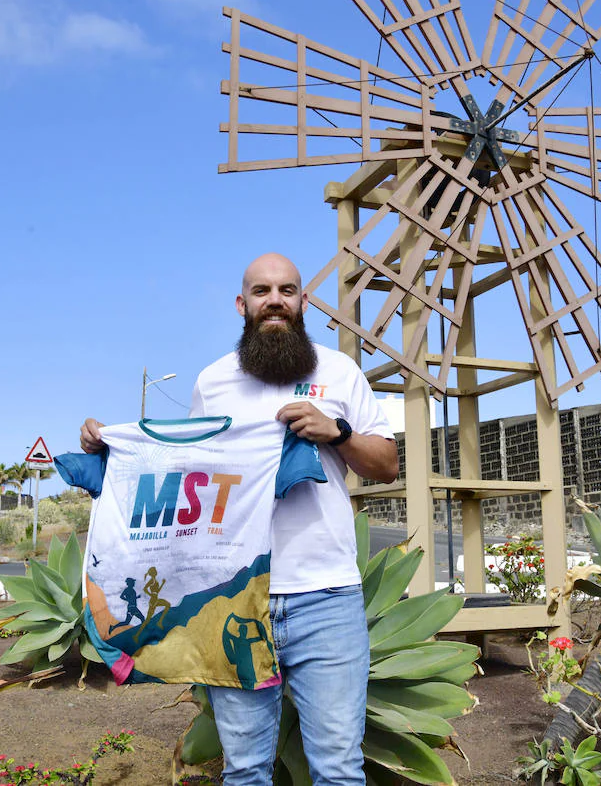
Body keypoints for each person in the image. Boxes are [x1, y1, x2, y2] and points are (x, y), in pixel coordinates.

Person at [80, 252, 398, 786]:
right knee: (245, 770)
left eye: (287, 290)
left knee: (339, 770)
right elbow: (185, 474)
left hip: (327, 598)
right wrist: (108, 450)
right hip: (234, 602)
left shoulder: (341, 372)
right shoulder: (213, 382)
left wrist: (336, 432)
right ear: (242, 304)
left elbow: (387, 464)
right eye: (261, 291)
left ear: (302, 302)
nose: (275, 299)